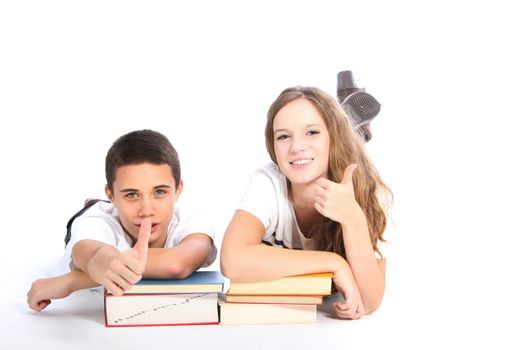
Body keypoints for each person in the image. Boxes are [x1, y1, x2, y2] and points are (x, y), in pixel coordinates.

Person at [220, 86, 392, 320]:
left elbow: (369, 302)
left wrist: (353, 220)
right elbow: (232, 260)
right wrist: (334, 263)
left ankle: (357, 133)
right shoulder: (268, 182)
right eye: (283, 136)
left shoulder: (363, 189)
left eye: (311, 132)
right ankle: (352, 126)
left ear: (334, 135)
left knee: (354, 158)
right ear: (273, 147)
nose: (296, 147)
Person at [27, 130, 217, 312]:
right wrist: (97, 265)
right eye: (132, 194)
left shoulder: (193, 218)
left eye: (159, 192)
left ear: (178, 189)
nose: (147, 211)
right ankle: (97, 202)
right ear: (110, 193)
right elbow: (93, 255)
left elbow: (177, 264)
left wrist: (72, 281)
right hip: (97, 215)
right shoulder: (94, 222)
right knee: (93, 218)